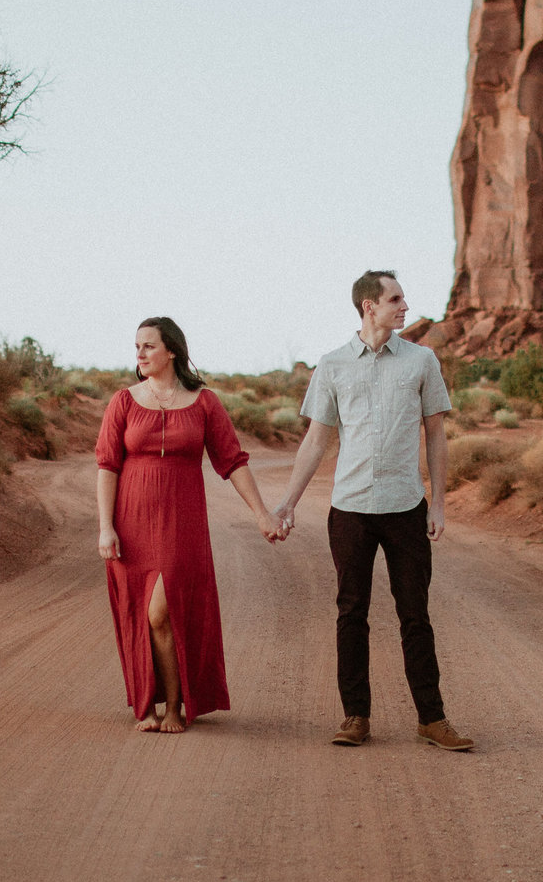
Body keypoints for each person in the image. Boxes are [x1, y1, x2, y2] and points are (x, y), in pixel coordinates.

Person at [272, 271, 474, 752]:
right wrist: (287, 502)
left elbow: (436, 434)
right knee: (351, 614)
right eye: (395, 299)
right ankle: (355, 716)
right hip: (351, 509)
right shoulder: (334, 365)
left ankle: (432, 719)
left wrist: (440, 502)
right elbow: (316, 440)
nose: (405, 307)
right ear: (369, 306)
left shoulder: (422, 361)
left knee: (415, 616)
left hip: (406, 506)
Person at [95, 317, 283, 733]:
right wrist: (105, 527)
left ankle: (176, 703)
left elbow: (232, 461)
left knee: (163, 609)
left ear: (172, 351)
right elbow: (107, 466)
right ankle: (147, 703)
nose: (140, 354)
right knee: (139, 611)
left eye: (148, 346)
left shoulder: (204, 402)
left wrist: (261, 514)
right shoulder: (123, 401)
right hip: (131, 519)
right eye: (137, 347)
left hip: (182, 520)